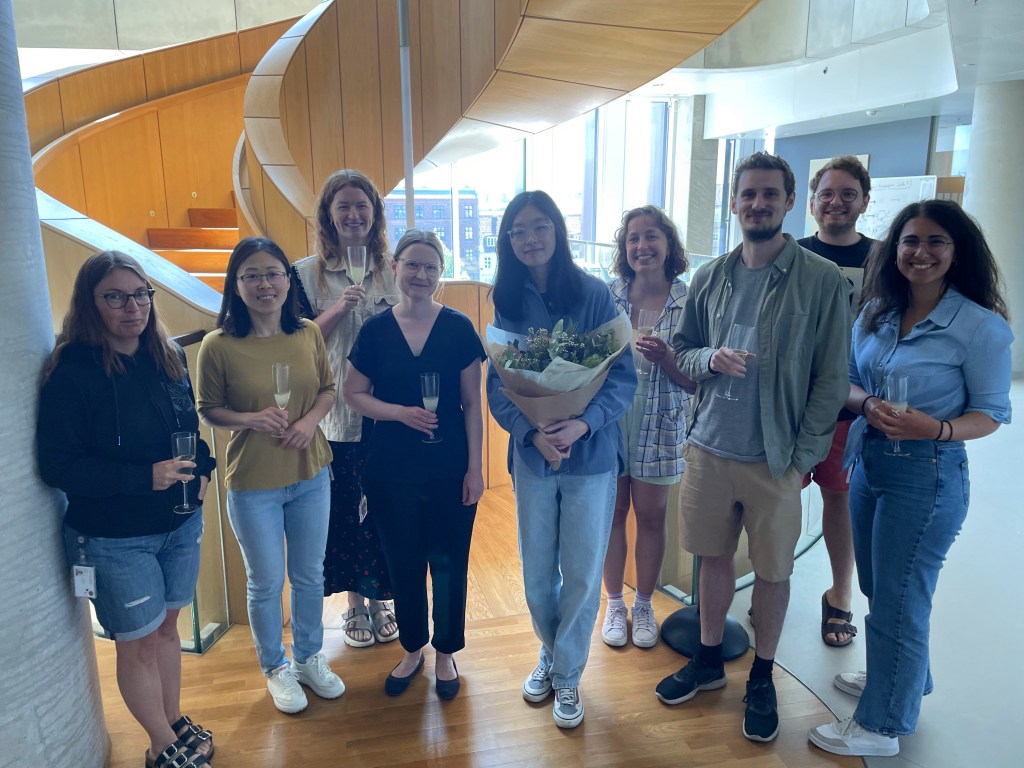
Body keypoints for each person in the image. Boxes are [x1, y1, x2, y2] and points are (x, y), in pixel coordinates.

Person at [656, 151, 850, 743]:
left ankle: (762, 676)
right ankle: (708, 660)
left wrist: (803, 459)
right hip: (708, 447)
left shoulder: (822, 279)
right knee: (712, 559)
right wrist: (708, 359)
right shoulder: (711, 276)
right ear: (734, 203)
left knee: (772, 572)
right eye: (748, 194)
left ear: (789, 202)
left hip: (776, 459)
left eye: (770, 194)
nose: (758, 204)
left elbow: (831, 379)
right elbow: (683, 349)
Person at [809, 200, 1012, 758]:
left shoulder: (980, 327)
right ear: (894, 249)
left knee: (901, 598)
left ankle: (883, 725)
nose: (921, 253)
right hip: (869, 461)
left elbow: (992, 413)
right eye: (910, 241)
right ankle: (901, 680)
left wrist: (937, 428)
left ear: (957, 251)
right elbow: (848, 380)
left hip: (928, 474)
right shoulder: (876, 312)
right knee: (881, 588)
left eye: (935, 241)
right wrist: (867, 403)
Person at [38, 251, 217, 768]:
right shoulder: (71, 372)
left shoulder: (169, 355)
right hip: (115, 538)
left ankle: (173, 720)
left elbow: (189, 430)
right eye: (115, 297)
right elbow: (58, 466)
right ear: (90, 302)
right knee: (136, 644)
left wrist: (204, 469)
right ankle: (160, 744)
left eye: (141, 295)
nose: (133, 307)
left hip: (180, 524)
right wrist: (144, 478)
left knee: (166, 631)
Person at [487, 190, 635, 729]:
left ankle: (568, 674)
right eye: (518, 231)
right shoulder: (506, 300)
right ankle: (550, 651)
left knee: (581, 571)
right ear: (508, 241)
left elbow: (621, 376)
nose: (529, 238)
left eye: (539, 226)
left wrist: (583, 423)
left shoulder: (594, 294)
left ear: (557, 230)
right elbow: (498, 383)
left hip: (590, 457)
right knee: (535, 573)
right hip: (534, 459)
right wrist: (531, 432)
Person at [196, 236, 344, 714]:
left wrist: (308, 422)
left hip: (310, 473)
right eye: (253, 275)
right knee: (264, 582)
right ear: (236, 285)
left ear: (287, 281)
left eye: (274, 274)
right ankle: (275, 667)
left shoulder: (307, 333)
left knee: (309, 575)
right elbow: (208, 409)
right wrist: (250, 419)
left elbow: (327, 389)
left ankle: (308, 657)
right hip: (253, 482)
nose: (265, 284)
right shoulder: (218, 345)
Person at [343, 229, 485, 700]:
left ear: (440, 273)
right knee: (403, 561)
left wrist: (475, 469)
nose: (421, 274)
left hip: (450, 466)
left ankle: (445, 652)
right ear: (395, 267)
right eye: (412, 264)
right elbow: (353, 393)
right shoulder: (375, 330)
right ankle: (411, 648)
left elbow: (472, 403)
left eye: (430, 267)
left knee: (449, 562)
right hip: (390, 469)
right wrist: (399, 413)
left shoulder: (459, 328)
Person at [292, 169, 401, 649]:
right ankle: (355, 603)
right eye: (344, 207)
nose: (354, 215)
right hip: (334, 415)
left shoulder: (393, 270)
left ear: (374, 213)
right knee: (343, 513)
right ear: (328, 216)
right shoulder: (302, 274)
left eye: (362, 206)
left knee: (384, 508)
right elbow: (297, 346)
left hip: (387, 412)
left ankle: (382, 598)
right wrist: (338, 308)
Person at [601, 205, 694, 649]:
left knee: (652, 516)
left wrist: (669, 359)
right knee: (612, 512)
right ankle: (613, 603)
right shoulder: (609, 296)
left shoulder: (689, 300)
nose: (642, 246)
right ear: (624, 248)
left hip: (663, 419)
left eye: (651, 236)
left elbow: (696, 380)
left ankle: (643, 604)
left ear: (669, 243)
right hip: (611, 417)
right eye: (633, 238)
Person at [797, 155, 877, 647]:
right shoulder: (793, 253)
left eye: (848, 193)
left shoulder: (883, 259)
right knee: (779, 495)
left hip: (850, 399)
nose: (836, 202)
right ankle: (772, 585)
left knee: (838, 497)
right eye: (826, 193)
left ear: (864, 201)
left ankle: (840, 594)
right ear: (812, 203)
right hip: (791, 400)